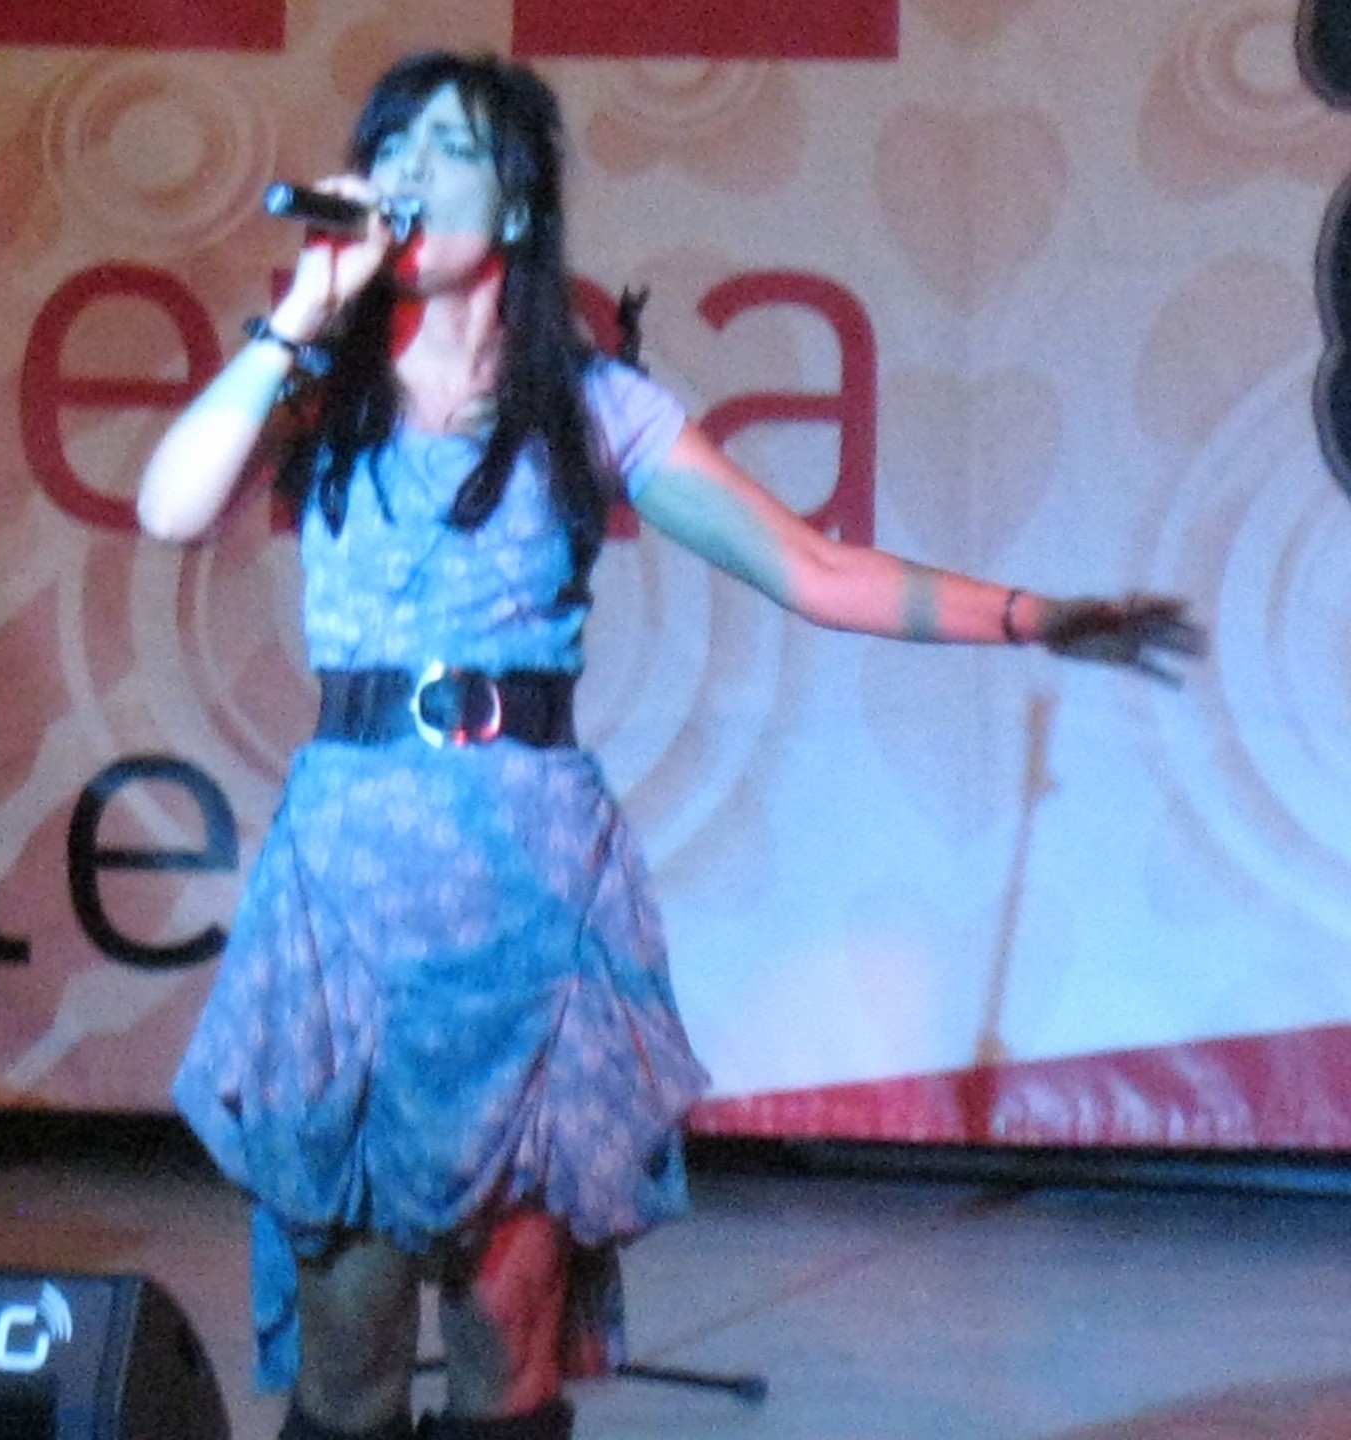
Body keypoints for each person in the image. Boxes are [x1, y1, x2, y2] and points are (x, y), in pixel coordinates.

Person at [137, 51, 1201, 1440]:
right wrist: (298, 317)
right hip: (353, 879)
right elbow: (171, 506)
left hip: (530, 885)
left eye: (448, 149)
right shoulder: (318, 384)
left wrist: (1036, 617)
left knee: (505, 1328)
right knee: (350, 1345)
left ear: (521, 206)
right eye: (389, 147)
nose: (407, 175)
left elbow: (812, 567)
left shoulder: (589, 405)